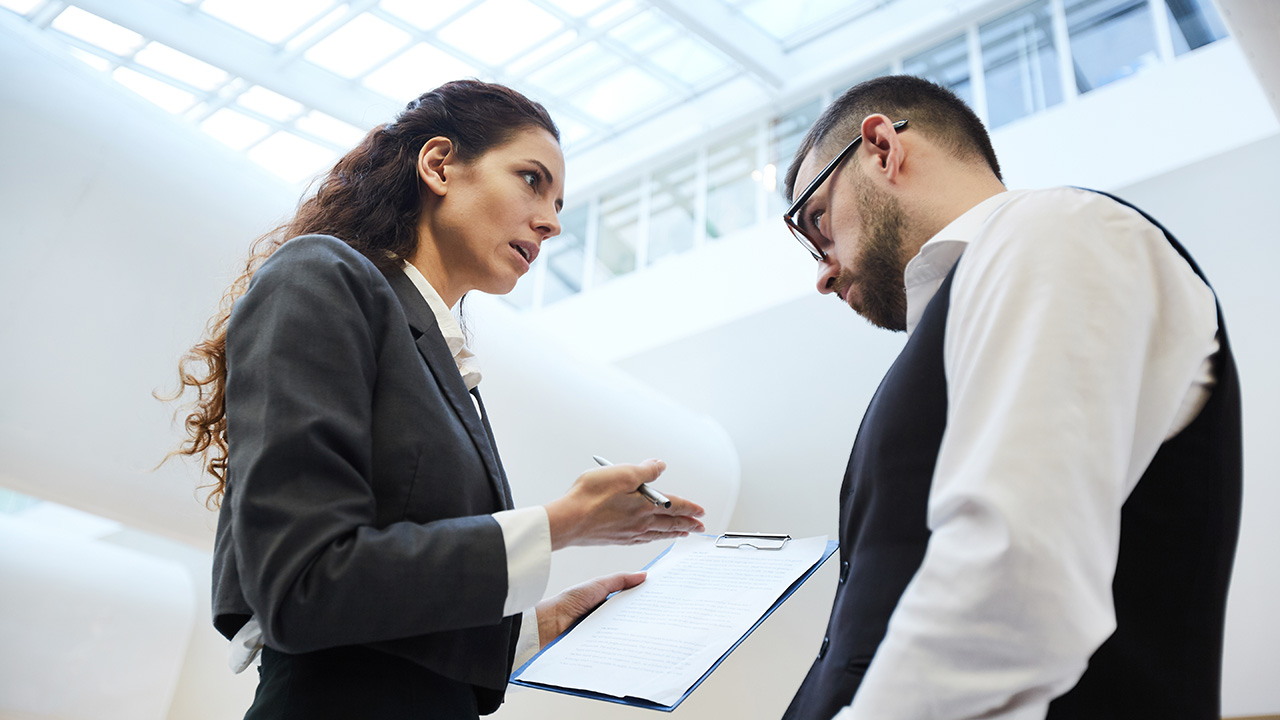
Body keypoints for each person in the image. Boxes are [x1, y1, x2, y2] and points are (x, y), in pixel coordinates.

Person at [169, 80, 706, 719]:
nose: (553, 222)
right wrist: (561, 525)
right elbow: (306, 584)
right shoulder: (320, 275)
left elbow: (383, 625)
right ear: (439, 164)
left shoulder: (442, 358)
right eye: (532, 180)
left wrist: (540, 625)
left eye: (557, 202)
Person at [778, 75, 1240, 719]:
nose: (823, 274)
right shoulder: (974, 306)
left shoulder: (1060, 231)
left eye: (818, 223)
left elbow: (1011, 584)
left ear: (883, 148)